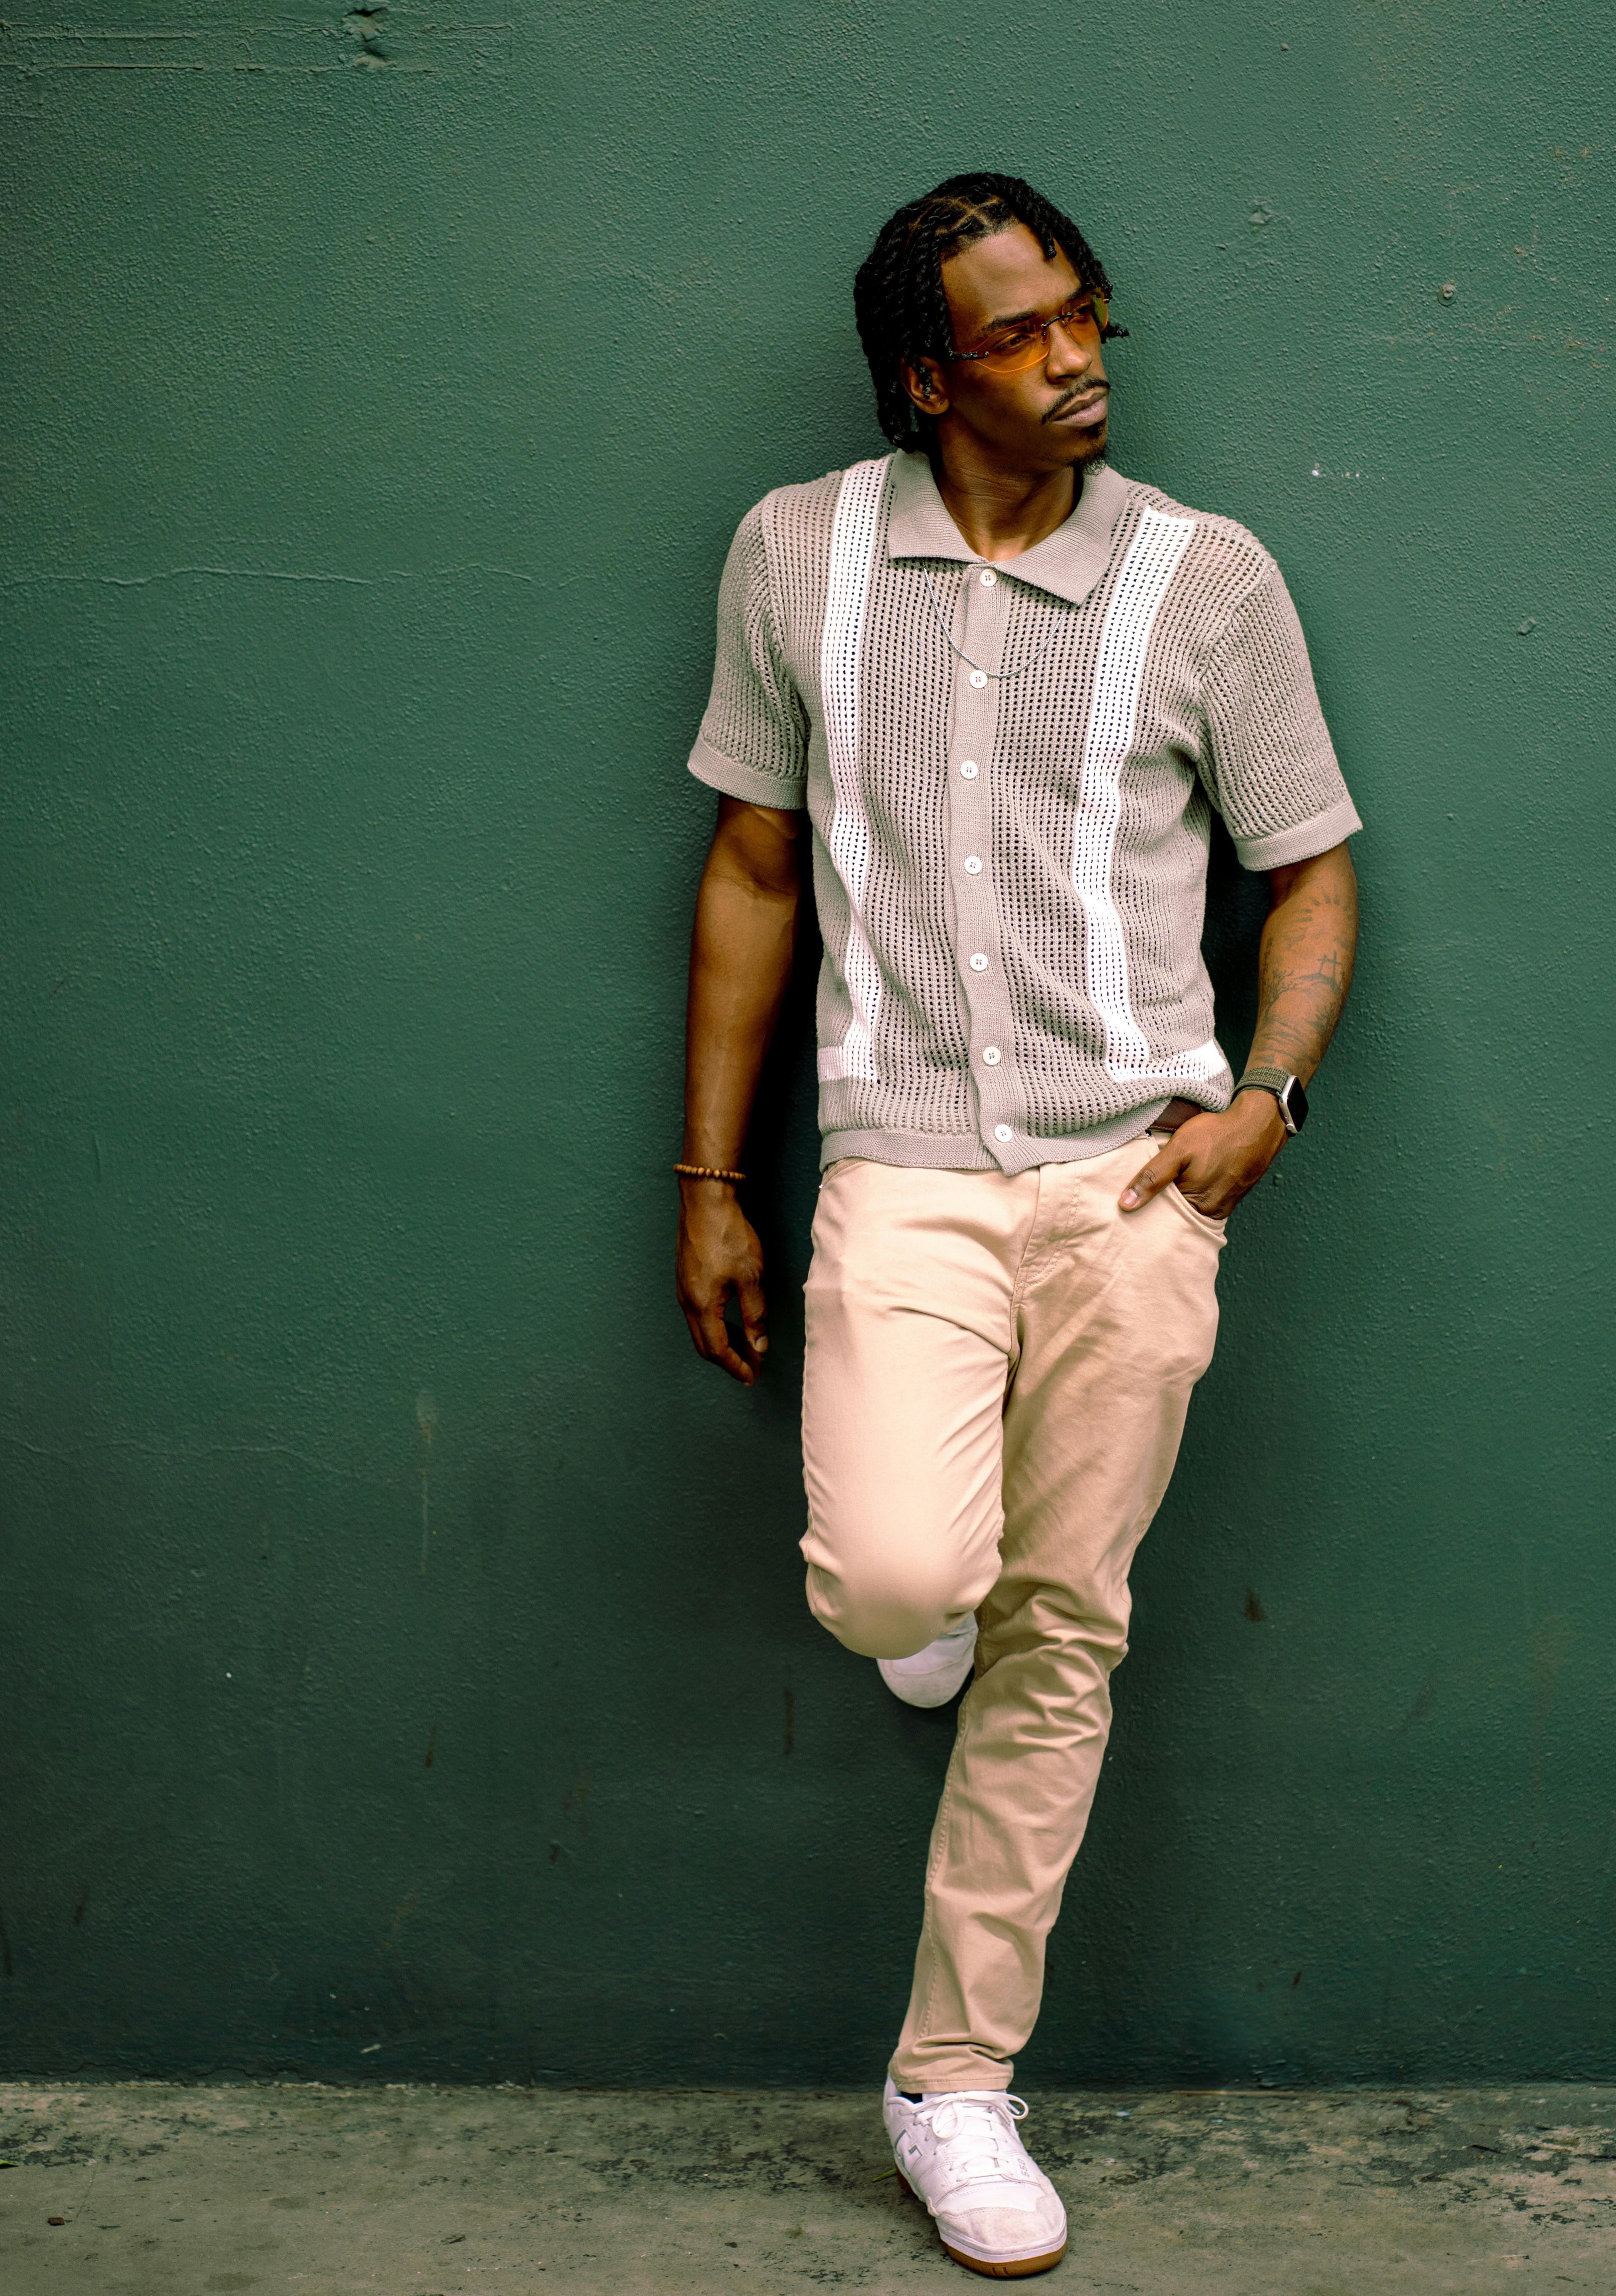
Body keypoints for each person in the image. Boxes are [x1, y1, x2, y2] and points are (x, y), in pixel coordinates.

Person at [674, 172, 1359, 2280]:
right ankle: (938, 1584)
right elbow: (756, 873)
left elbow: (1311, 868)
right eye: (1019, 330)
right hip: (900, 1173)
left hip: (1135, 1183)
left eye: (1085, 314)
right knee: (898, 1582)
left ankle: (950, 2082)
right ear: (920, 371)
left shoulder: (1204, 579)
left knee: (1067, 1638)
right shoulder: (797, 552)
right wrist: (711, 1177)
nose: (1075, 354)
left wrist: (1263, 1099)